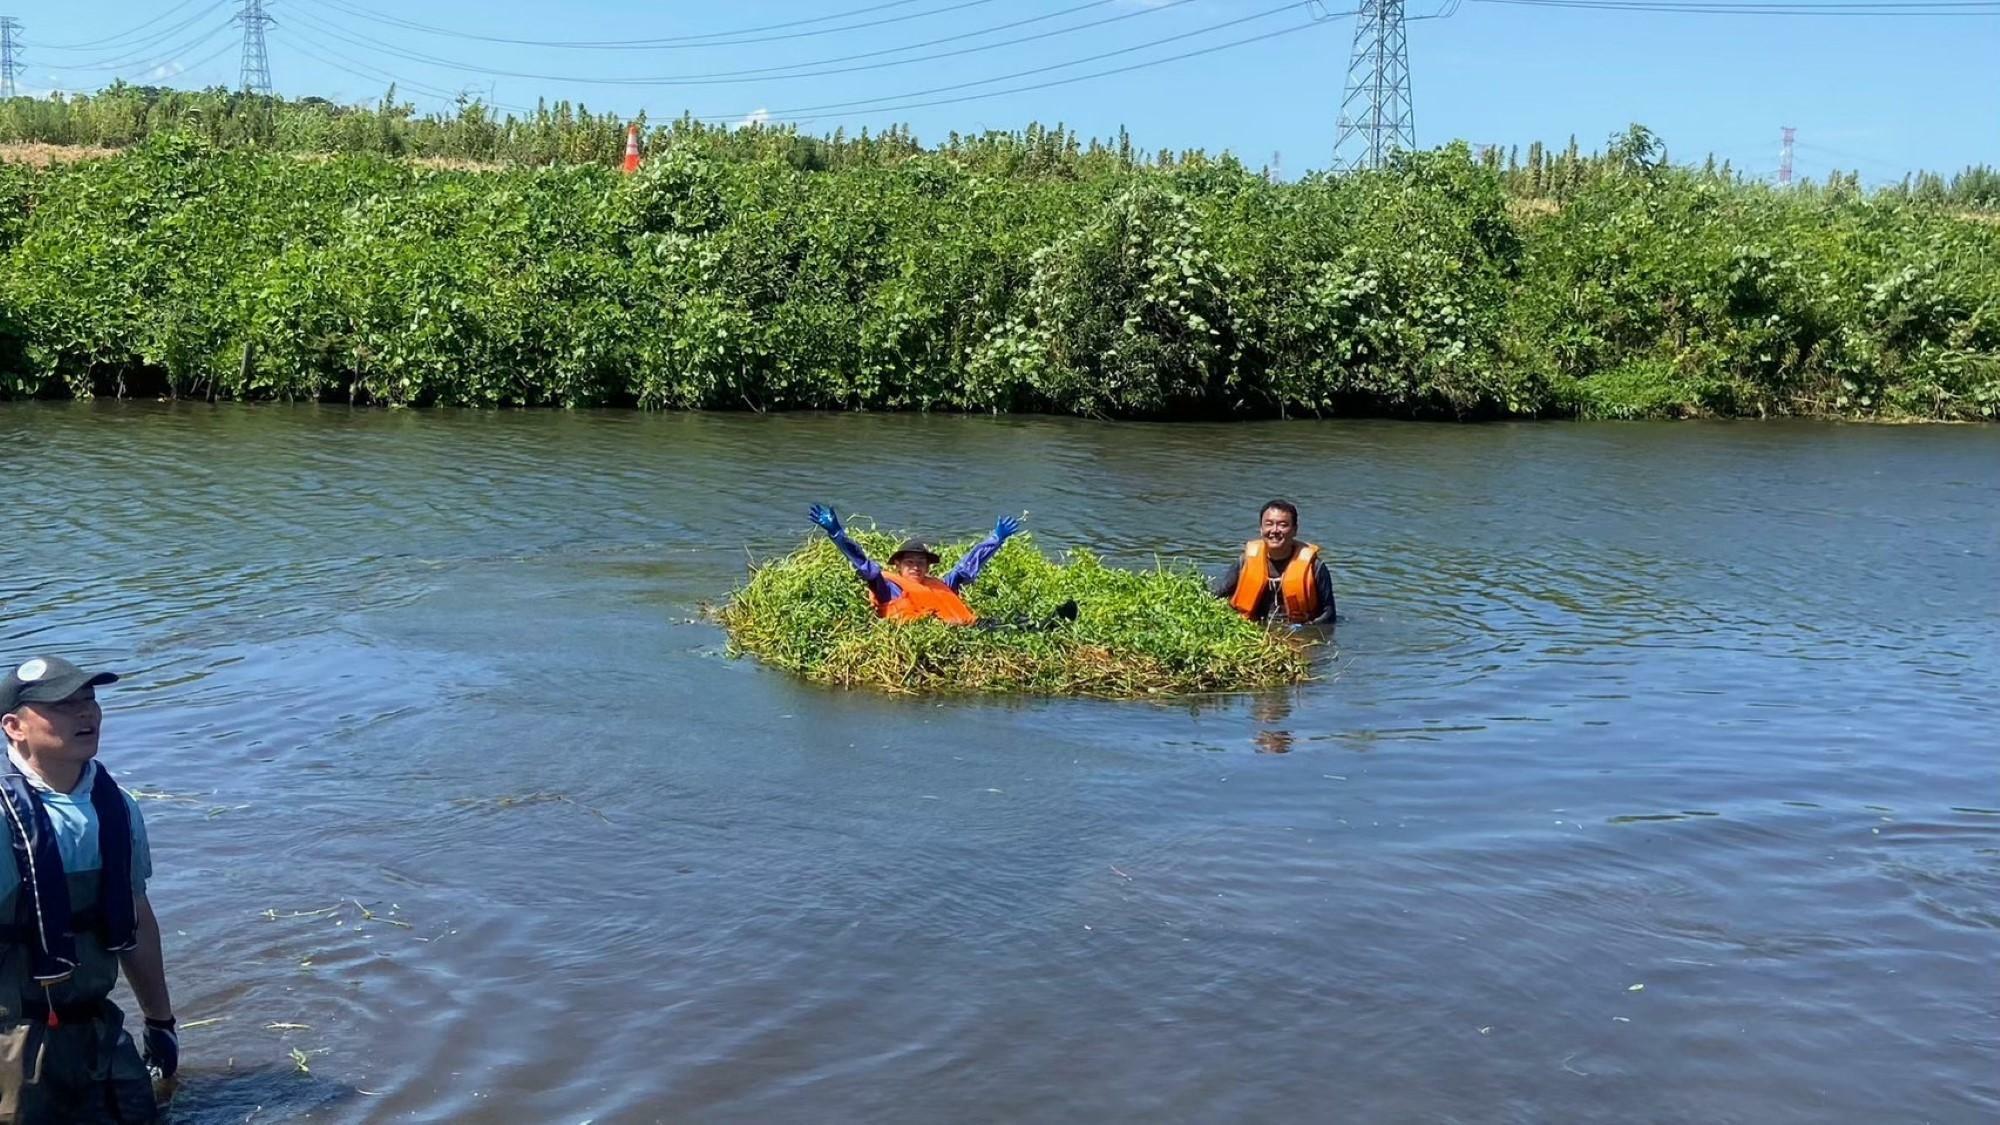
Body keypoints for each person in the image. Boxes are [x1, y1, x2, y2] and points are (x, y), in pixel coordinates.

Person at [0, 656, 177, 1123]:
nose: (86, 714)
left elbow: (135, 916)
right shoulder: (3, 821)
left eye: (89, 701)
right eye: (62, 705)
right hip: (12, 1037)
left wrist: (160, 1022)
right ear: (14, 727)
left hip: (97, 1026)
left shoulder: (117, 808)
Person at [807, 504, 1022, 625]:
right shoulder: (889, 588)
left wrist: (996, 538)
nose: (916, 567)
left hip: (972, 628)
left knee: (1019, 622)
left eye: (921, 563)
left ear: (928, 567)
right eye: (909, 562)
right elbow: (865, 566)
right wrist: (837, 534)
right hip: (934, 636)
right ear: (898, 566)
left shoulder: (941, 584)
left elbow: (967, 566)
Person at [1212, 499, 1336, 625]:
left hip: (1297, 633)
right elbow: (1217, 596)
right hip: (1253, 629)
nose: (1275, 530)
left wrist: (1306, 630)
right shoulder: (1245, 562)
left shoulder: (1315, 567)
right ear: (1261, 529)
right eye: (1269, 524)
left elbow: (1329, 615)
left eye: (1283, 525)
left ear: (1294, 530)